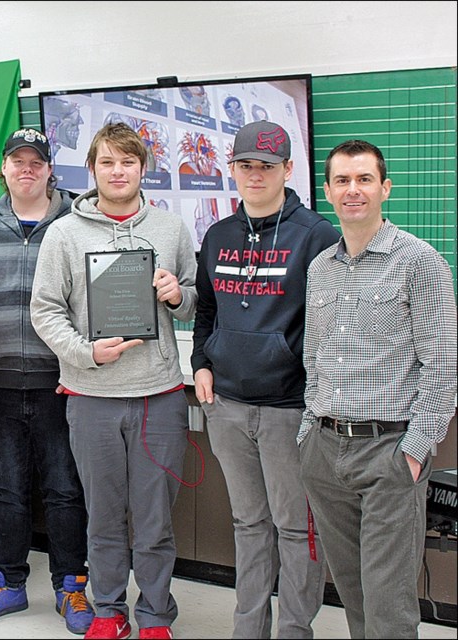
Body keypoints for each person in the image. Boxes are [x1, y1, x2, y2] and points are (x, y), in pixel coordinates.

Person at [30, 122, 198, 640]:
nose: (118, 171)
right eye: (107, 162)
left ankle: (153, 615)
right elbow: (45, 311)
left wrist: (176, 295)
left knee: (154, 521)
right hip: (91, 397)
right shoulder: (64, 233)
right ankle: (107, 611)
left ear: (142, 169)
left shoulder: (171, 229)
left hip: (159, 397)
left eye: (128, 162)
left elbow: (195, 303)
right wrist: (86, 353)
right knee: (102, 517)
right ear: (93, 169)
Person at [298, 139, 457, 638]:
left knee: (388, 607)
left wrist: (413, 452)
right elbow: (316, 357)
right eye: (342, 180)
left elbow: (443, 368)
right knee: (353, 595)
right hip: (325, 452)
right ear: (327, 191)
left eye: (364, 179)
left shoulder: (420, 262)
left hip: (388, 452)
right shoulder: (320, 268)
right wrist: (309, 433)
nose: (353, 190)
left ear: (384, 188)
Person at [191, 121, 338, 639]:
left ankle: (295, 631)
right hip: (227, 406)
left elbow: (326, 320)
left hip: (288, 408)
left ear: (287, 171)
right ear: (232, 169)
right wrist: (201, 365)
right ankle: (247, 629)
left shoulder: (316, 235)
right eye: (246, 165)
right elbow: (206, 309)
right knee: (249, 525)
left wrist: (289, 367)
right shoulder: (218, 235)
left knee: (296, 528)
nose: (255, 175)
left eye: (266, 167)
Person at [0, 128, 94, 635]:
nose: (27, 170)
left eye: (36, 162)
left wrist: (78, 364)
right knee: (6, 490)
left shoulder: (79, 222)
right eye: (18, 161)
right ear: (5, 170)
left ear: (50, 169)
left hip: (62, 382)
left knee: (64, 488)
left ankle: (71, 586)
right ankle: (7, 582)